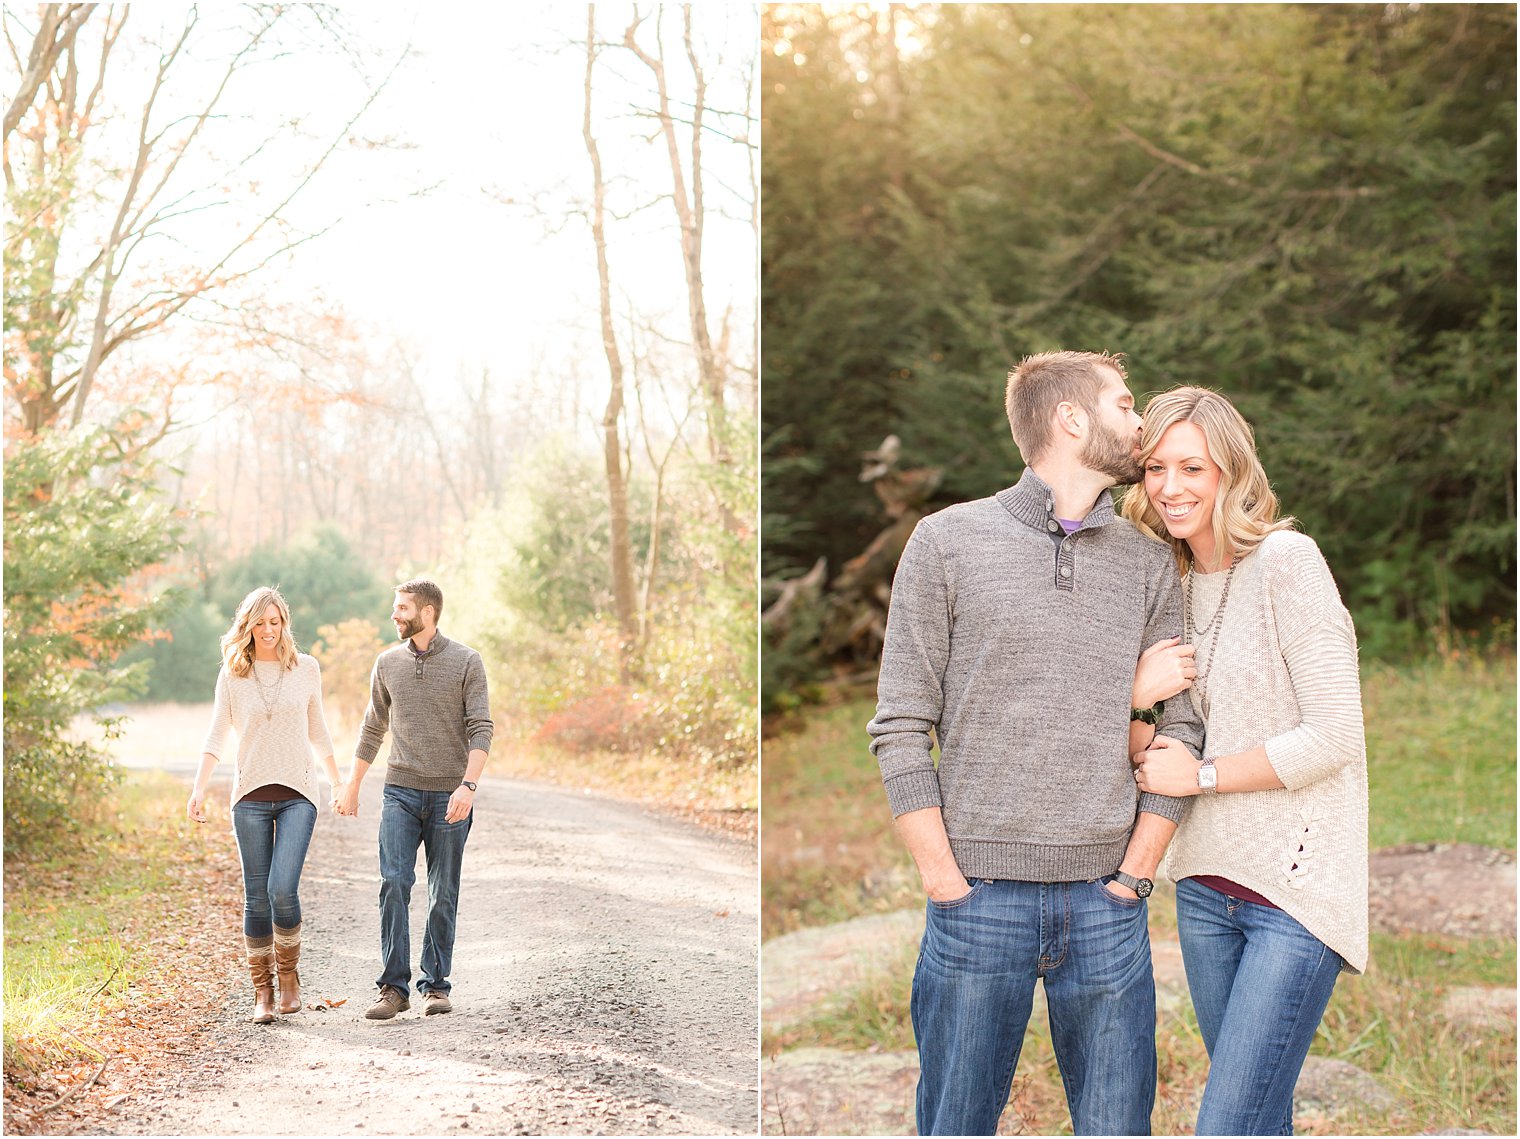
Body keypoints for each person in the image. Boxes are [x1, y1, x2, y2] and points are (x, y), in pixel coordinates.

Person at [868, 349, 1205, 1136]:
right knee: (954, 1123)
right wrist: (944, 878)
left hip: (1106, 902)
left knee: (1117, 1127)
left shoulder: (1149, 562)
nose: (1140, 422)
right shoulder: (946, 544)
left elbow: (1182, 726)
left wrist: (1136, 873)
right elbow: (899, 724)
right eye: (1126, 405)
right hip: (978, 897)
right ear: (1072, 419)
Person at [1123, 386, 1368, 1136]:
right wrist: (1134, 704)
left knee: (1226, 1122)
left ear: (1230, 471)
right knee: (1261, 1120)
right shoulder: (1166, 583)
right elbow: (1149, 743)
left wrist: (1199, 777)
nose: (1171, 488)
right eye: (1156, 468)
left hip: (1291, 895)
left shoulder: (1287, 563)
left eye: (1192, 467)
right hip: (1203, 888)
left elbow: (1333, 735)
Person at [335, 579, 492, 1020]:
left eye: (402, 607)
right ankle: (393, 989)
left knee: (443, 892)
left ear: (427, 613)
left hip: (450, 795)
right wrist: (352, 784)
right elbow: (372, 727)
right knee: (394, 882)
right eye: (394, 606)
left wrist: (468, 786)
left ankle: (436, 987)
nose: (394, 614)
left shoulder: (466, 662)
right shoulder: (386, 663)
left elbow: (481, 727)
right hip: (400, 791)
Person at [188, 586, 340, 1025]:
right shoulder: (233, 675)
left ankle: (290, 976)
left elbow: (319, 731)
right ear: (247, 625)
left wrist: (338, 782)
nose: (269, 630)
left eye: (275, 622)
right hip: (249, 797)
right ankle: (263, 993)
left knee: (281, 888)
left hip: (298, 795)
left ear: (284, 623)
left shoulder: (306, 669)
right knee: (256, 898)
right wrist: (199, 788)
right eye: (260, 622)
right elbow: (217, 735)